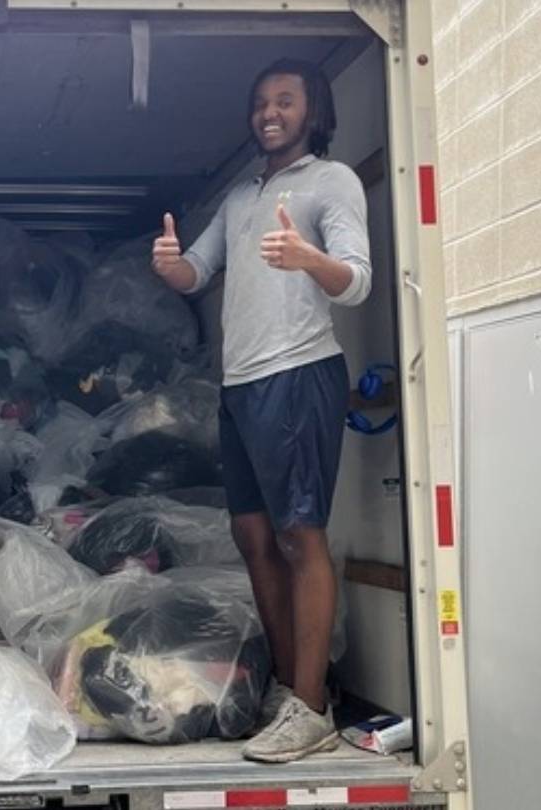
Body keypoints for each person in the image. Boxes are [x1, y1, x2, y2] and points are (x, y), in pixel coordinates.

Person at [152, 59, 371, 763]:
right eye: (260, 103)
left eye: (285, 101)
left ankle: (312, 708)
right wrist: (170, 266)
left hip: (297, 374)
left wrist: (309, 258)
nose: (269, 113)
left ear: (314, 112)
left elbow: (357, 281)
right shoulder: (243, 194)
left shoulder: (330, 181)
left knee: (300, 538)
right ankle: (287, 687)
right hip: (241, 384)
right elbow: (196, 271)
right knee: (253, 537)